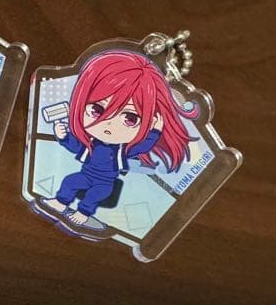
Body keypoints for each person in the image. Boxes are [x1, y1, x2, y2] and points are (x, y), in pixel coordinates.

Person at [32, 50, 198, 239]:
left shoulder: (121, 150)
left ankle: (83, 213)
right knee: (70, 181)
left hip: (104, 182)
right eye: (97, 109)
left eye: (130, 118)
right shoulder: (91, 143)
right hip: (85, 175)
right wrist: (63, 137)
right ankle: (60, 203)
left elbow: (142, 147)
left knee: (94, 195)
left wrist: (155, 132)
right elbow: (76, 147)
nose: (109, 124)